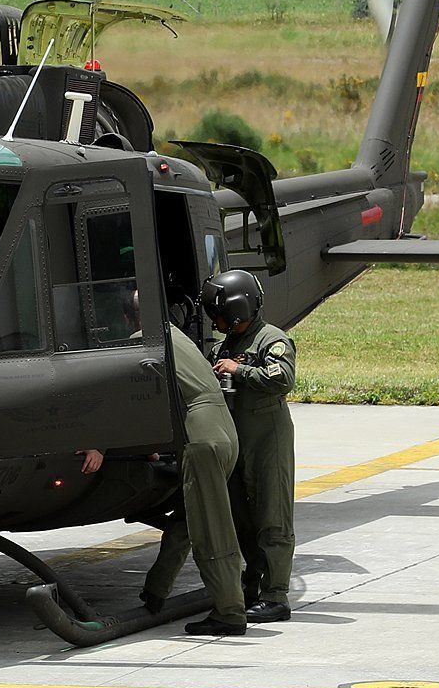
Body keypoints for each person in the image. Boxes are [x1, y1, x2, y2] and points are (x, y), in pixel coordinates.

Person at [80, 325, 246, 637]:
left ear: (129, 316)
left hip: (201, 436)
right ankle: (157, 588)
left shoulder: (142, 339)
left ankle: (230, 612)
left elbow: (128, 400)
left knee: (210, 530)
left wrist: (98, 444)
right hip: (223, 428)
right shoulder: (174, 333)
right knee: (187, 517)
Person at [205, 269, 296, 624]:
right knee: (242, 518)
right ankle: (253, 583)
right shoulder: (225, 345)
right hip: (236, 439)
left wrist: (239, 371)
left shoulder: (271, 340)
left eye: (218, 312)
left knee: (273, 516)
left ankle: (276, 595)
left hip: (267, 440)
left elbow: (282, 378)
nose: (215, 320)